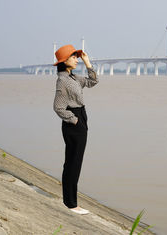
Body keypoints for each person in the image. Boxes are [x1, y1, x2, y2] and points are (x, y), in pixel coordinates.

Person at [53, 44, 99, 215]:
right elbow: (58, 107)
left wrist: (87, 62)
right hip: (74, 123)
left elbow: (93, 81)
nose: (76, 59)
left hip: (80, 119)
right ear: (64, 61)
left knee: (73, 163)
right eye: (73, 57)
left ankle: (69, 201)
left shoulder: (74, 78)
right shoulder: (63, 81)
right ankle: (72, 204)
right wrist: (74, 120)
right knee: (73, 164)